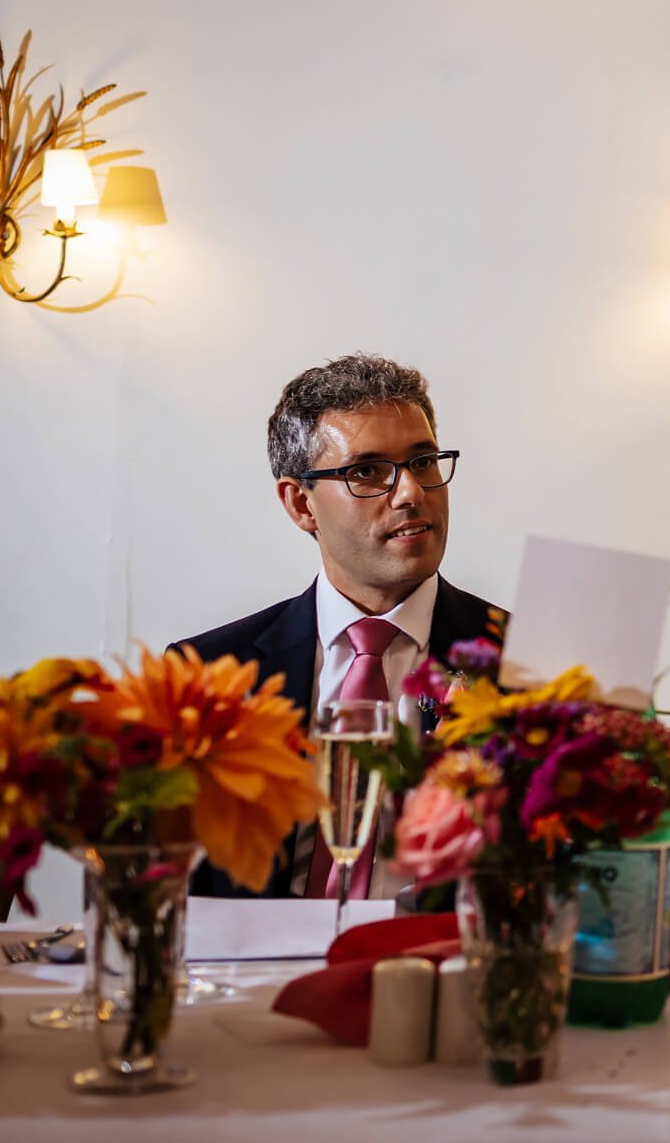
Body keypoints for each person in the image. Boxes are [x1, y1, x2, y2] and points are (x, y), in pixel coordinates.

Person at [176, 353, 504, 897]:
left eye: (423, 461)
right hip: (259, 970)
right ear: (301, 503)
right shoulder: (210, 674)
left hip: (441, 967)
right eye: (367, 472)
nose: (410, 493)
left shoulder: (524, 662)